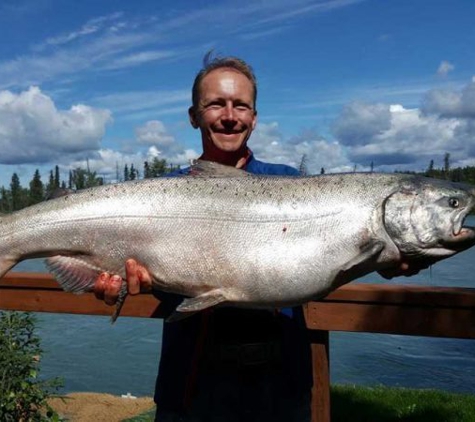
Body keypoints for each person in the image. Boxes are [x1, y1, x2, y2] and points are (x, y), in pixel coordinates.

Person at [94, 54, 313, 421]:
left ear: (254, 118)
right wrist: (120, 283)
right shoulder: (160, 195)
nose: (230, 116)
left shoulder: (291, 187)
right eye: (216, 104)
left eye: (241, 105)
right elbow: (150, 279)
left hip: (280, 390)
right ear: (194, 116)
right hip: (190, 388)